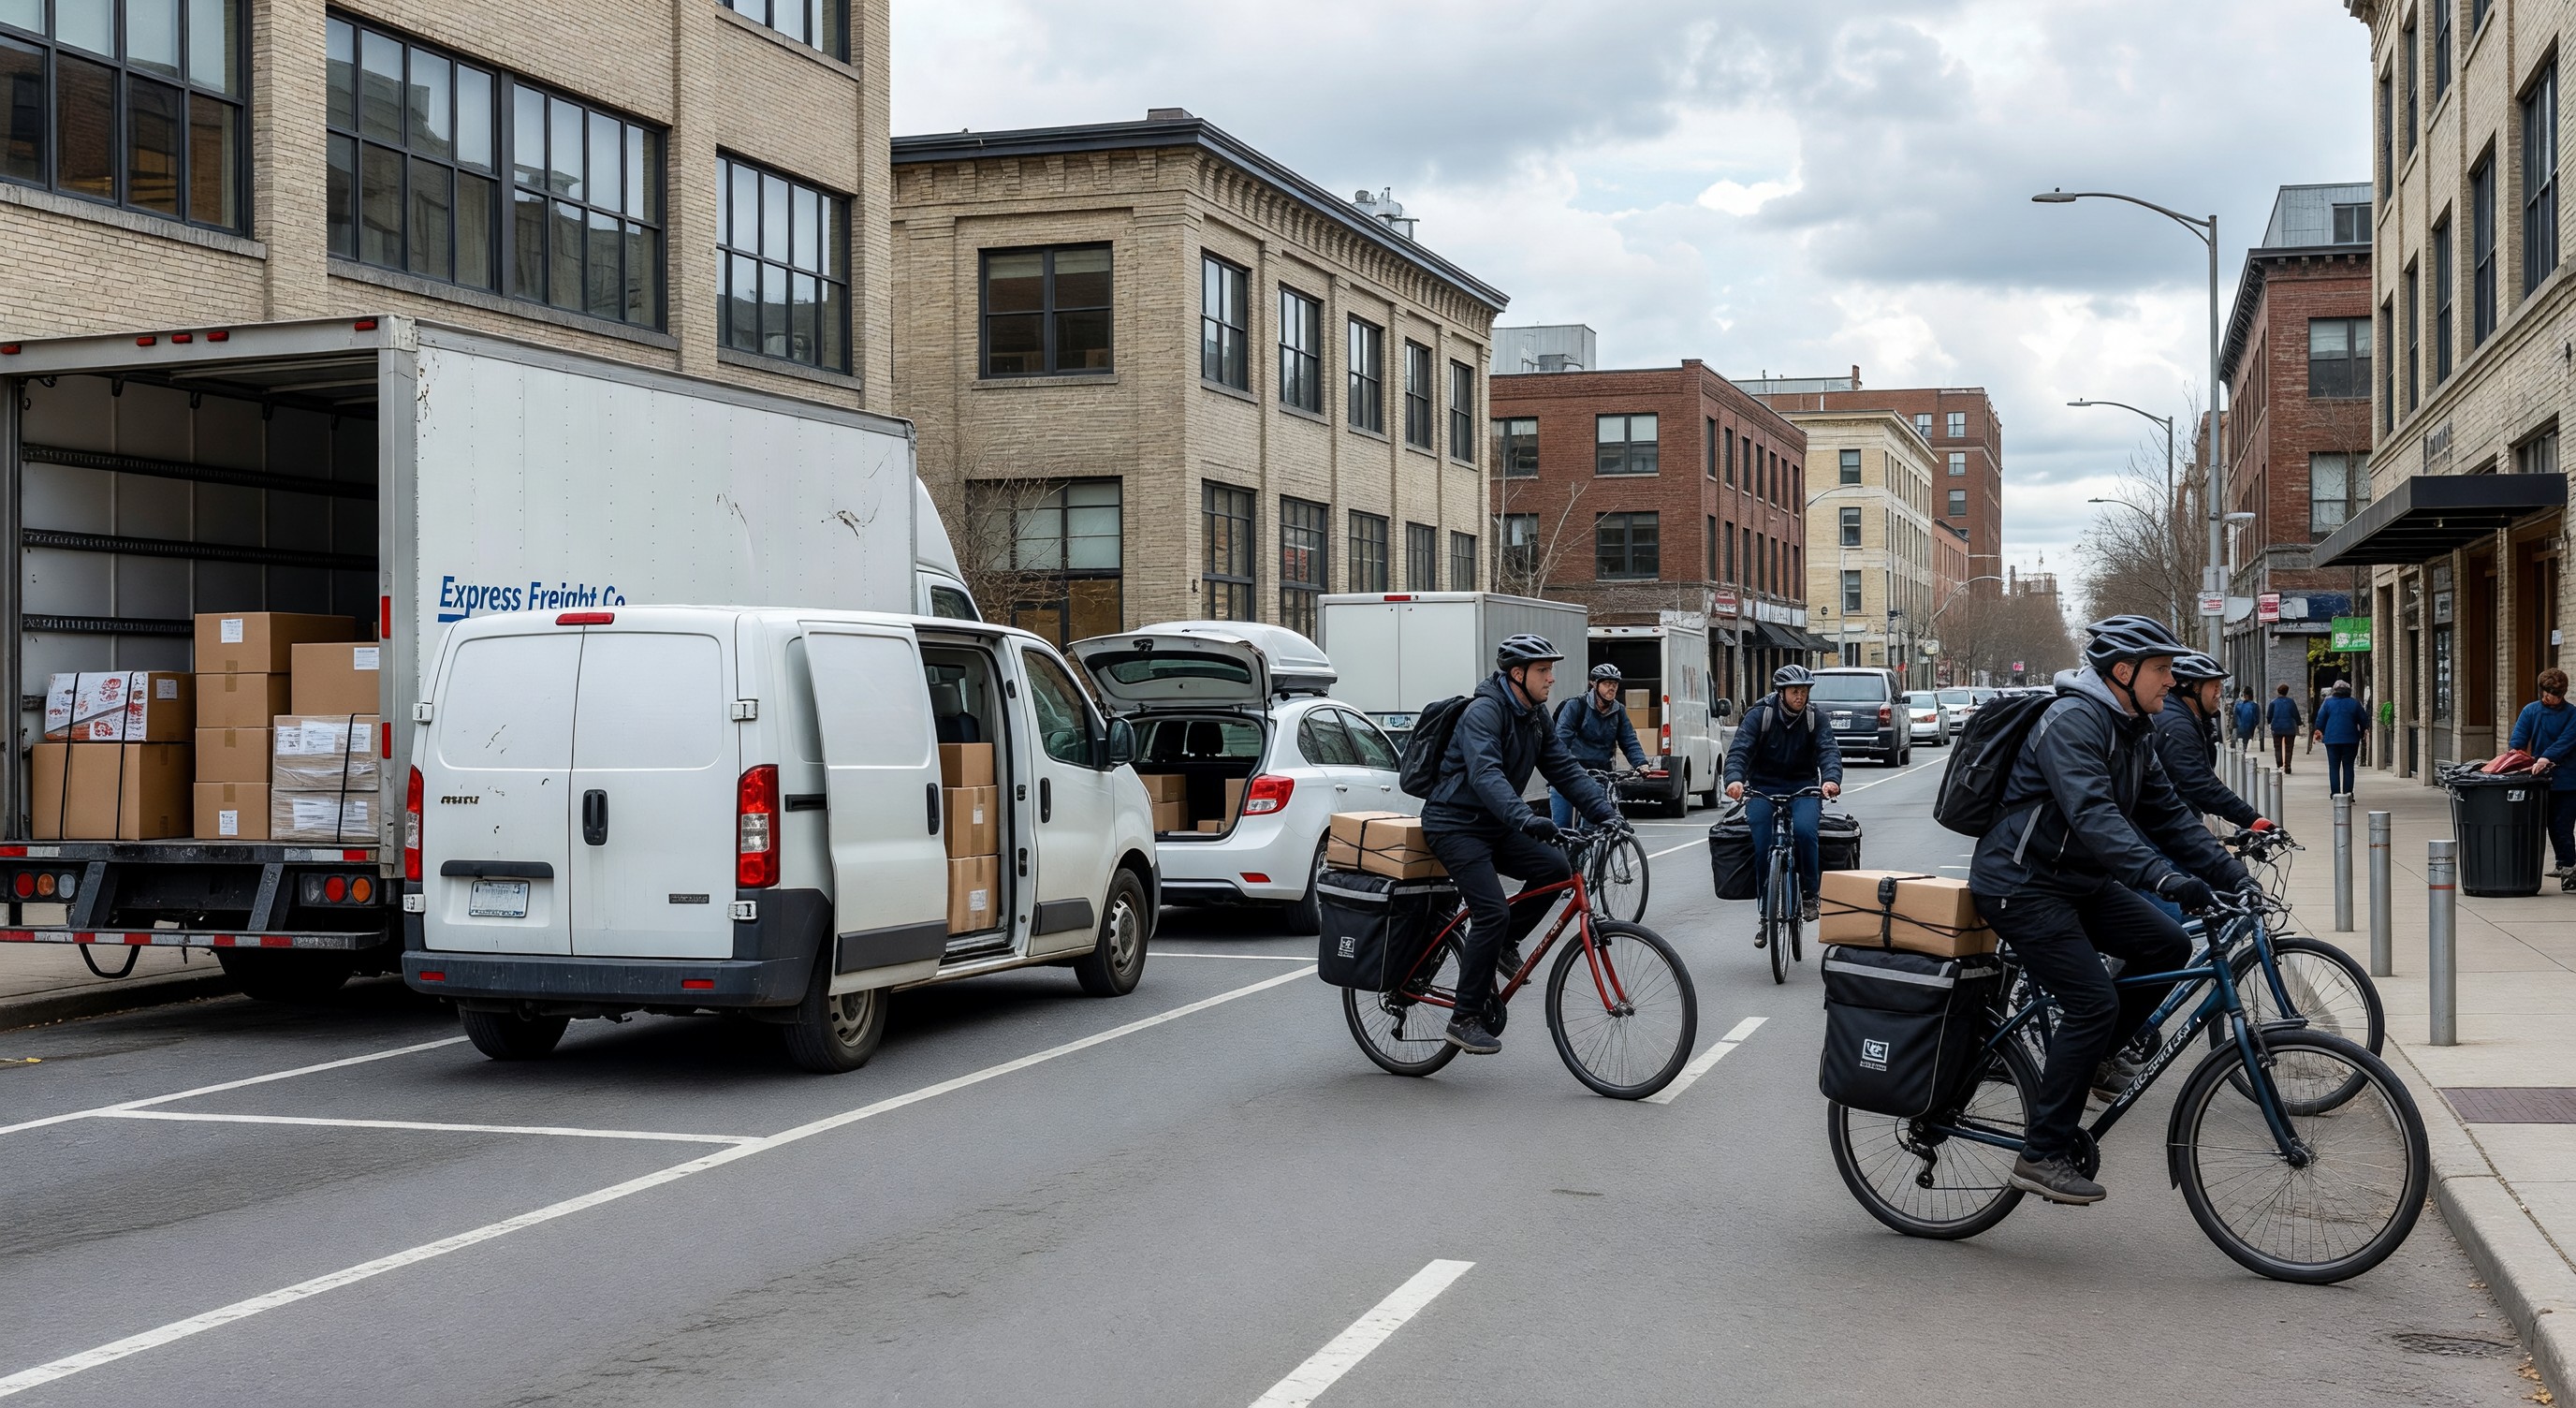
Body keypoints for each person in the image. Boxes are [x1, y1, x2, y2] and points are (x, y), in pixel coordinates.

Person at [1969, 614, 2255, 1206]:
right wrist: (2165, 877)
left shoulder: (2134, 728)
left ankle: (2096, 1060)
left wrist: (2230, 875)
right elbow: (2094, 816)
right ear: (2123, 672)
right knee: (2093, 1002)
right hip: (2021, 884)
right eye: (2161, 669)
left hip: (2076, 880)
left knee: (2169, 945)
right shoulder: (2072, 722)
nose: (2171, 680)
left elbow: (2169, 815)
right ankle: (2040, 1154)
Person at [1419, 634, 1630, 1055]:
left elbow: (1565, 770)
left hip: (1495, 824)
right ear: (1518, 674)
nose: (1552, 678)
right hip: (1455, 825)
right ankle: (1464, 1017)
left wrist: (1609, 814)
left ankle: (1504, 943)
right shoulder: (1484, 712)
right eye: (1543, 670)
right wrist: (1527, 819)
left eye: (1551, 670)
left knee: (1554, 868)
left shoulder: (1536, 715)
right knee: (1491, 910)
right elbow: (1486, 776)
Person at [1721, 665, 1845, 926]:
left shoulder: (1815, 718)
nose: (1800, 697)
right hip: (1762, 787)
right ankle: (1765, 906)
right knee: (1762, 838)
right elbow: (1739, 751)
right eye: (1794, 692)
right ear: (1781, 692)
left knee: (1804, 831)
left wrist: (1831, 780)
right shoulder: (1760, 715)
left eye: (1804, 691)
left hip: (1803, 787)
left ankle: (1810, 893)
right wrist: (1734, 780)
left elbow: (1829, 751)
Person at [2148, 653, 2268, 834]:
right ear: (2195, 687)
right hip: (2167, 829)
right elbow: (2199, 783)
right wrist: (2251, 818)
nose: (2219, 694)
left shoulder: (2186, 716)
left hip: (2177, 819)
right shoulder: (2177, 726)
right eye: (2215, 687)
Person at [1552, 663, 1649, 828]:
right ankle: (1563, 852)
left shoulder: (1619, 711)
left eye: (1615, 684)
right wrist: (1561, 769)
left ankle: (1589, 851)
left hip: (1600, 774)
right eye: (1606, 684)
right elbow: (1561, 740)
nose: (1611, 688)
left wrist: (1641, 763)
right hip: (1571, 771)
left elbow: (1629, 740)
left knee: (1593, 825)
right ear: (1594, 684)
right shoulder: (1576, 705)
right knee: (1562, 827)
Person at [2508, 668, 2576, 891]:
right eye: (2546, 693)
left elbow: (2566, 742)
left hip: (2567, 780)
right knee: (2546, 824)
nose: (2549, 697)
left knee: (2562, 825)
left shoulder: (2572, 714)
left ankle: (2569, 868)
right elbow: (2518, 739)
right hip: (2538, 778)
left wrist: (2546, 757)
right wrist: (2515, 757)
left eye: (2554, 694)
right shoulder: (2531, 711)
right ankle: (2562, 863)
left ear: (2563, 693)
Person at [2313, 680, 2366, 797]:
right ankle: (2348, 793)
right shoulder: (2355, 703)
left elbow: (2320, 719)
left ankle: (2335, 793)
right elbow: (2363, 720)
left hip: (2332, 739)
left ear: (2334, 691)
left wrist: (2319, 730)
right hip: (2351, 739)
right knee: (2348, 766)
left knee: (2334, 767)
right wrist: (2363, 733)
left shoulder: (2327, 703)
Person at [2267, 682, 2303, 772]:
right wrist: (2299, 723)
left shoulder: (2273, 702)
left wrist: (2269, 722)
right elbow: (2295, 714)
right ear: (2287, 692)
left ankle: (2279, 764)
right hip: (2289, 727)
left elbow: (2269, 715)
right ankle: (2288, 766)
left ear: (2278, 691)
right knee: (2289, 748)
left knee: (2277, 747)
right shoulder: (2291, 702)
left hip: (2277, 727)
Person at [2232, 686, 2260, 753]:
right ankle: (2243, 749)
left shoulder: (2238, 705)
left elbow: (2235, 717)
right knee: (2245, 743)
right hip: (2249, 729)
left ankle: (2241, 750)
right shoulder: (2255, 706)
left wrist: (2234, 726)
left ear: (2244, 695)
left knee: (2240, 743)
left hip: (2239, 729)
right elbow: (2257, 719)